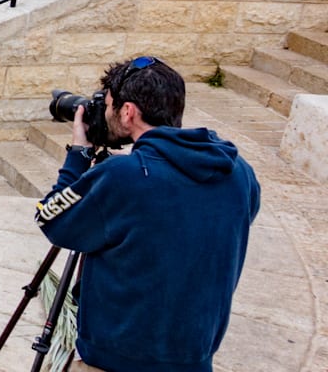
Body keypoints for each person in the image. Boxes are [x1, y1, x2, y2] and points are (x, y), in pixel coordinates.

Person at [36, 57, 260, 372]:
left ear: (128, 112)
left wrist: (79, 155)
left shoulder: (123, 176)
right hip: (193, 358)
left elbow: (51, 218)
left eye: (110, 105)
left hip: (116, 360)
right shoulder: (238, 171)